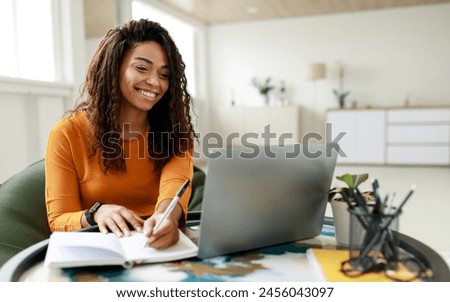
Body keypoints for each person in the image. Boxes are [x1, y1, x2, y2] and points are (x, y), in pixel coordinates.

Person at [45, 19, 196, 249]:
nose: (155, 82)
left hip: (157, 245)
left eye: (164, 75)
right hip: (98, 248)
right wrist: (96, 213)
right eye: (142, 68)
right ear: (114, 68)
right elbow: (58, 219)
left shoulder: (174, 130)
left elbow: (174, 183)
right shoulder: (67, 133)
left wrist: (167, 218)